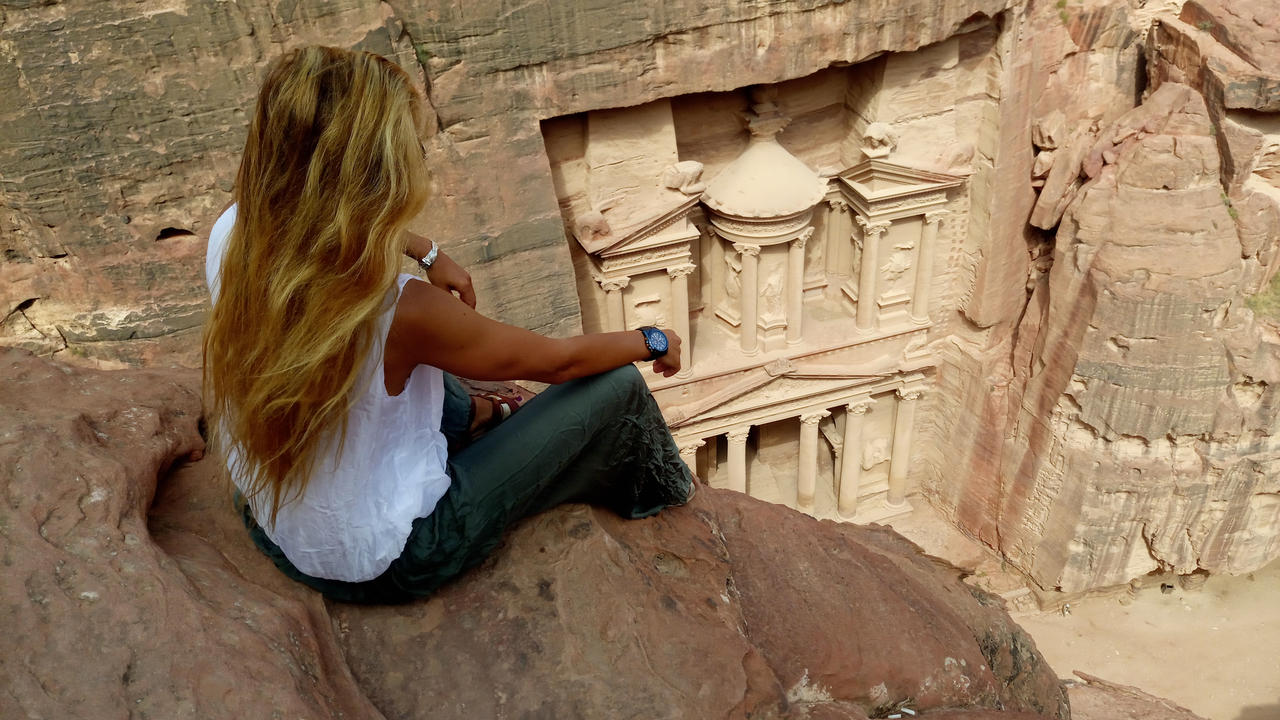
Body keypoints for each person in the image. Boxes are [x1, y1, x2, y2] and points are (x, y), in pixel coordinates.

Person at [202, 46, 694, 605]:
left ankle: (482, 416)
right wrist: (652, 340)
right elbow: (557, 362)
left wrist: (427, 250)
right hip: (389, 557)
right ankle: (665, 502)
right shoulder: (403, 311)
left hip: (272, 518)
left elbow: (322, 221)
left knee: (412, 379)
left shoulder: (233, 232)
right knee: (618, 387)